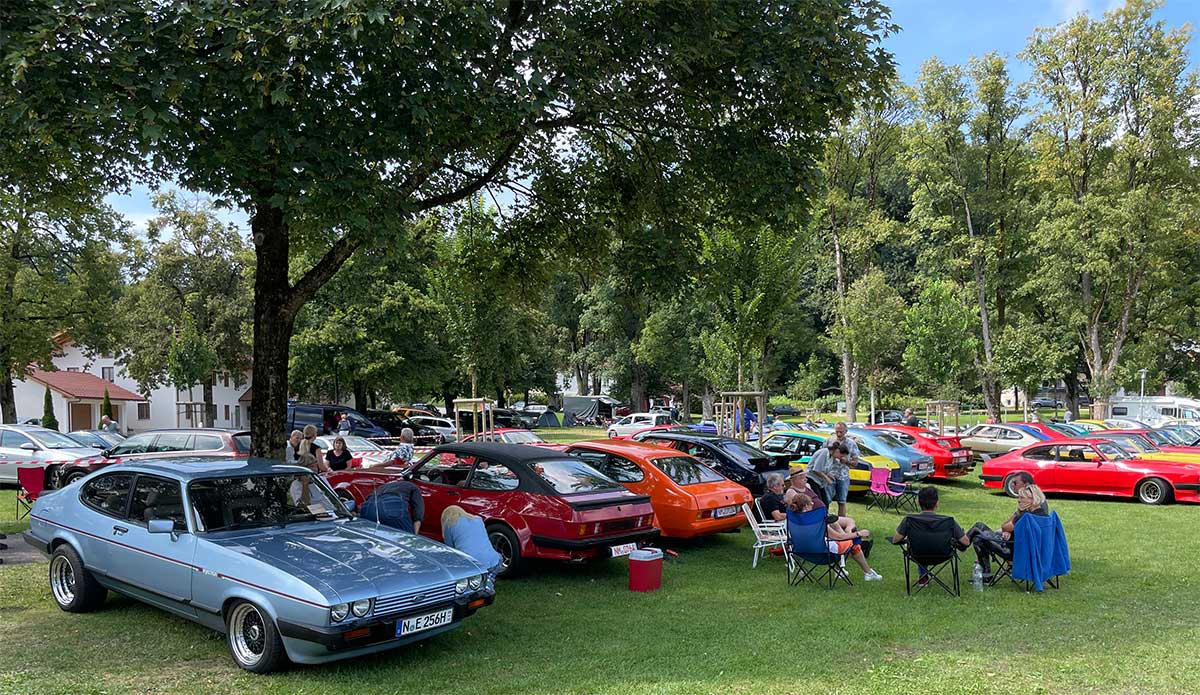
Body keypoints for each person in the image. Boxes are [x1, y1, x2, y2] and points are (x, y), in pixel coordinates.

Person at [965, 472, 1049, 578]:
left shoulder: (1025, 515)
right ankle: (964, 543)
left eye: (1015, 483)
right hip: (1034, 551)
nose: (1019, 500)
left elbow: (1005, 525)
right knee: (984, 534)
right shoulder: (1043, 513)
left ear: (1032, 499)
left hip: (1016, 551)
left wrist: (1008, 529)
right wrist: (1008, 530)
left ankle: (962, 544)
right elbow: (1008, 526)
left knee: (978, 532)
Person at [787, 494, 882, 581]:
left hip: (802, 552)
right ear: (807, 506)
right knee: (853, 541)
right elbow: (839, 537)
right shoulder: (816, 522)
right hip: (822, 554)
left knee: (840, 536)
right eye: (811, 504)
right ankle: (867, 573)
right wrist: (859, 533)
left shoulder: (793, 520)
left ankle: (840, 570)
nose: (813, 505)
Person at [891, 486, 970, 585]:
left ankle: (923, 576)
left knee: (921, 543)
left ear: (918, 502)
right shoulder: (948, 521)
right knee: (927, 542)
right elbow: (965, 542)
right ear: (937, 503)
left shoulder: (910, 520)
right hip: (943, 555)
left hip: (917, 555)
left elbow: (895, 540)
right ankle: (924, 576)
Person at [442, 505, 503, 589]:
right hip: (493, 561)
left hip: (472, 564)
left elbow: (450, 549)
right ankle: (488, 580)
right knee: (497, 558)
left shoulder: (449, 525)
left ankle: (483, 585)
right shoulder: (478, 519)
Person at [359, 479, 425, 533]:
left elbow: (367, 500)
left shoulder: (384, 486)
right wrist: (414, 537)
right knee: (406, 537)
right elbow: (418, 513)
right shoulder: (413, 487)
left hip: (368, 507)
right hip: (392, 508)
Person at [808, 440, 852, 518]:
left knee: (825, 503)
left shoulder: (832, 458)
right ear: (837, 451)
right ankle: (817, 518)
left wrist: (829, 475)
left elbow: (825, 469)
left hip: (820, 482)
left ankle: (825, 519)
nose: (840, 458)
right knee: (818, 501)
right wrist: (826, 478)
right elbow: (816, 469)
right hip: (811, 479)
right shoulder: (825, 452)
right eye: (841, 455)